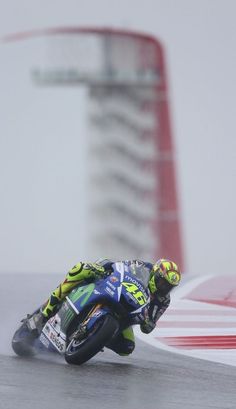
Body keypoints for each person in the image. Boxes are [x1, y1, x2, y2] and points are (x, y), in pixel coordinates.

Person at [27, 258, 181, 356]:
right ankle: (45, 312)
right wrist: (103, 269)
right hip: (112, 288)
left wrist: (147, 320)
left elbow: (149, 326)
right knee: (81, 269)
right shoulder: (143, 267)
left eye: (168, 287)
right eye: (162, 283)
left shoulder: (163, 301)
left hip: (125, 314)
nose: (164, 288)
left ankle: (95, 336)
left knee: (127, 347)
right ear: (156, 275)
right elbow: (120, 266)